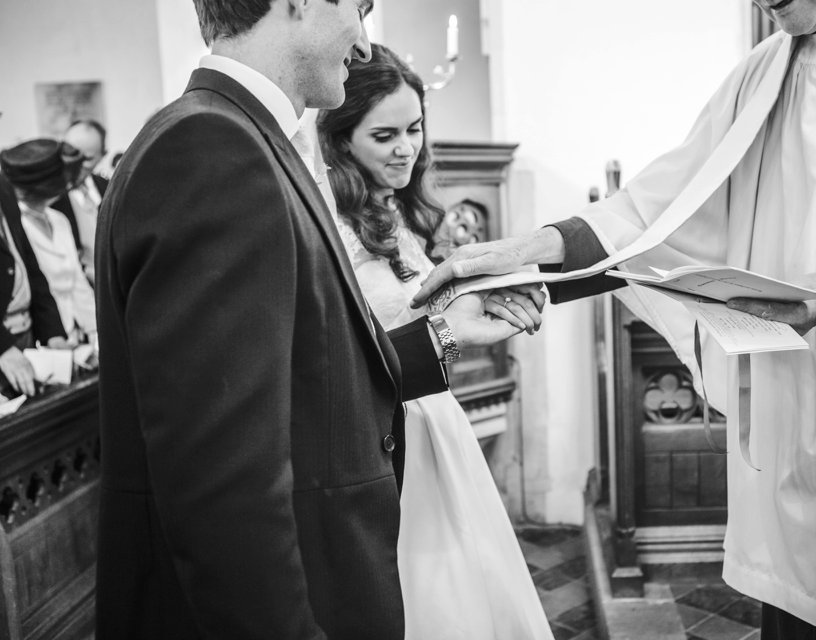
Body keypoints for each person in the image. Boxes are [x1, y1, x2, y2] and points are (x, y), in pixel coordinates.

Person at [413, 0, 816, 637]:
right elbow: (657, 214)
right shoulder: (767, 69)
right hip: (789, 432)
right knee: (797, 606)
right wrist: (524, 252)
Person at [94, 1, 543, 639]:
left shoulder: (240, 137)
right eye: (358, 7)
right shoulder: (213, 148)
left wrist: (447, 331)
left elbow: (313, 380)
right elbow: (225, 491)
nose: (363, 45)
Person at [315, 43, 552, 640]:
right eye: (385, 135)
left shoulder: (398, 210)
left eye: (414, 129)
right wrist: (446, 326)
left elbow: (419, 308)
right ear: (342, 140)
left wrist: (482, 292)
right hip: (385, 432)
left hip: (436, 419)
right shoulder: (330, 229)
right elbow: (342, 349)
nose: (406, 148)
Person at [5, 139, 98, 344]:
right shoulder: (16, 225)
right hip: (42, 334)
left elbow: (78, 282)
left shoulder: (59, 220)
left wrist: (96, 331)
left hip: (75, 332)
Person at [0, 159, 69, 397]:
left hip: (26, 338)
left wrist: (52, 332)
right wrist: (3, 348)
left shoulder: (3, 185)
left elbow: (28, 263)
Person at [53, 119, 109, 284]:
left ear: (102, 155)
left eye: (86, 158)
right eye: (71, 154)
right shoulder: (53, 197)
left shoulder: (110, 188)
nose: (75, 165)